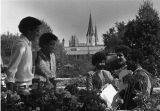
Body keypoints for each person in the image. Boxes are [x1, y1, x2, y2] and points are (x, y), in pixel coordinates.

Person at [5, 16, 42, 91]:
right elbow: (11, 70)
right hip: (20, 89)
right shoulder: (21, 45)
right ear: (29, 31)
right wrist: (11, 95)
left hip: (27, 87)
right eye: (37, 31)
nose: (39, 33)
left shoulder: (28, 44)